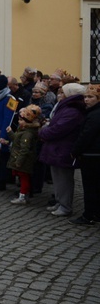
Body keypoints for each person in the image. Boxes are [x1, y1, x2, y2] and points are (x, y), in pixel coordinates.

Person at [40, 82, 86, 217]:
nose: (60, 94)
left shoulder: (72, 111)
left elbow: (58, 129)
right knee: (57, 179)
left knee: (64, 180)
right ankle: (60, 202)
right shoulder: (65, 107)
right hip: (57, 148)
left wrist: (43, 132)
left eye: (63, 92)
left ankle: (65, 206)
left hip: (63, 149)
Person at [70, 84, 100, 224]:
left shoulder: (94, 115)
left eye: (90, 97)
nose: (86, 100)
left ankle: (89, 215)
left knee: (90, 187)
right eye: (85, 97)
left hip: (91, 155)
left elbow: (86, 135)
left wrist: (75, 150)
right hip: (93, 154)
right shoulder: (92, 112)